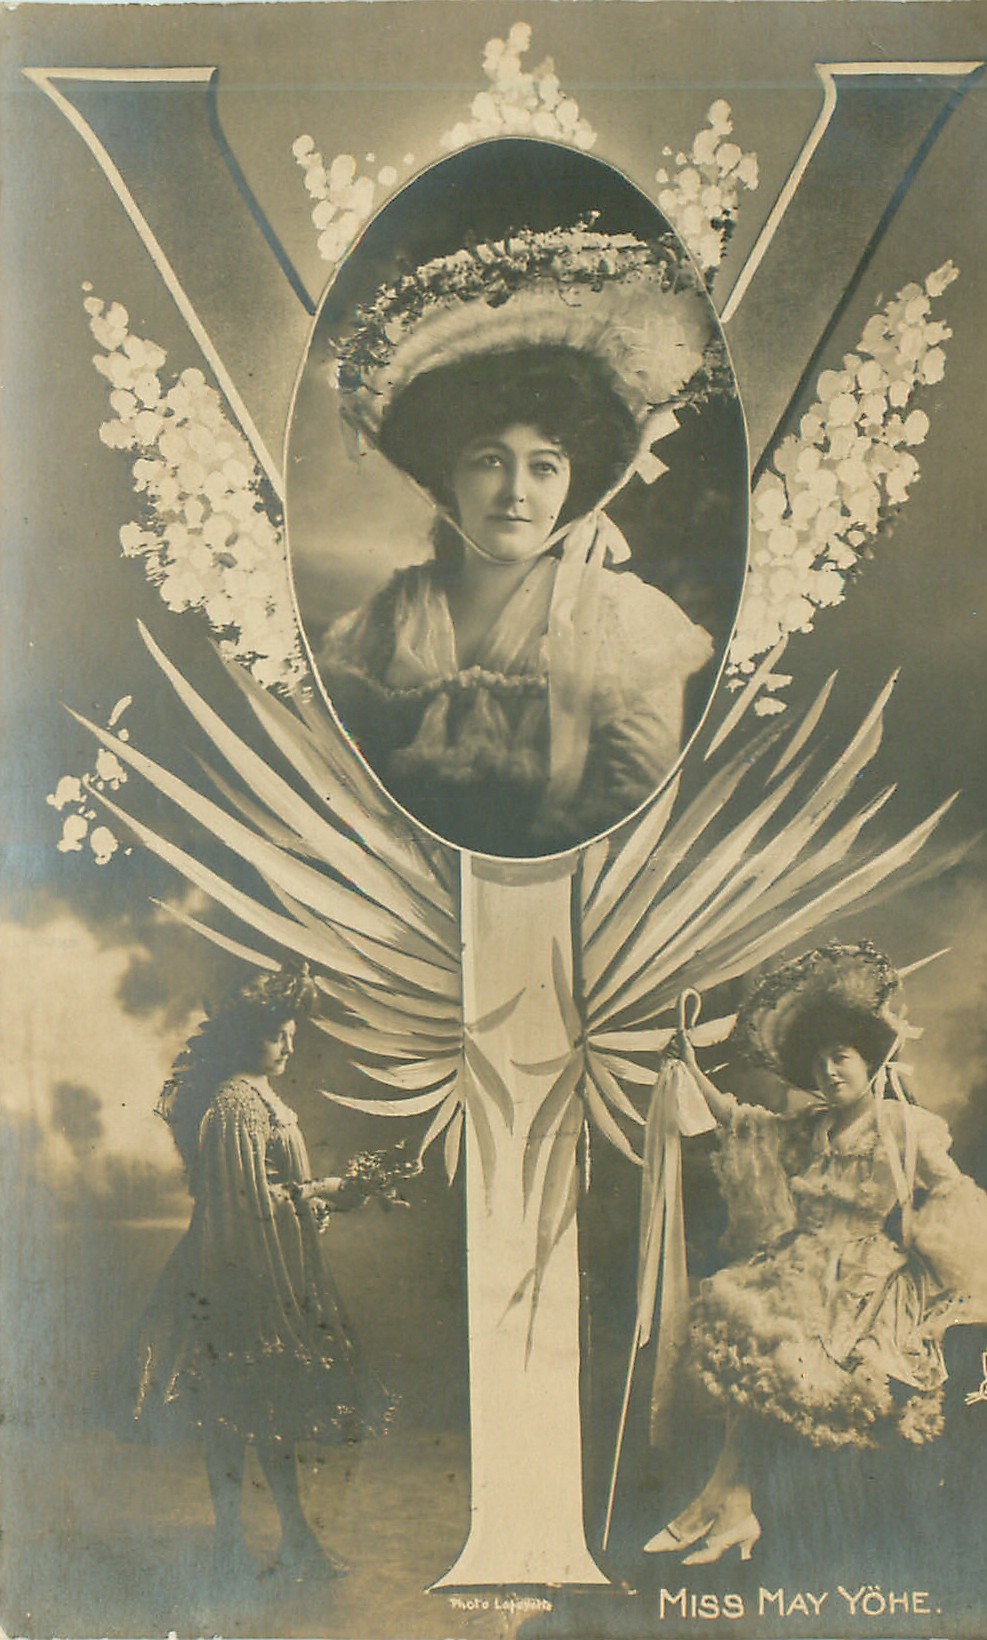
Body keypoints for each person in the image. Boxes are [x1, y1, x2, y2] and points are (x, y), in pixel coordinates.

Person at [320, 222, 734, 856]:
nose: (516, 492)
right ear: (447, 473)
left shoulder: (622, 623)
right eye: (490, 460)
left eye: (544, 467)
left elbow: (634, 816)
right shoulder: (380, 624)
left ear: (575, 482)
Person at [642, 941, 987, 1565]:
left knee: (783, 1348)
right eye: (818, 1063)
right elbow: (741, 1121)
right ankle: (731, 1506)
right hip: (799, 1268)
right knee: (744, 1332)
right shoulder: (810, 1126)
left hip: (868, 1286)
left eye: (841, 1057)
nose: (830, 1073)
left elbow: (957, 1200)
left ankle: (720, 1505)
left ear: (869, 1059)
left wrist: (964, 1294)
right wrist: (689, 1066)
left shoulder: (904, 1126)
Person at [118, 964, 403, 1581]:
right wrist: (320, 1191)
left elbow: (277, 1190)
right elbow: (242, 1204)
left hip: (269, 1265)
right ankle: (231, 1545)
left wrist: (335, 1193)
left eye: (292, 1034)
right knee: (233, 1411)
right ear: (248, 1036)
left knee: (267, 1411)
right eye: (278, 1035)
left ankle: (293, 1538)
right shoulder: (236, 1105)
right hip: (235, 1275)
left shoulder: (261, 1098)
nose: (290, 1045)